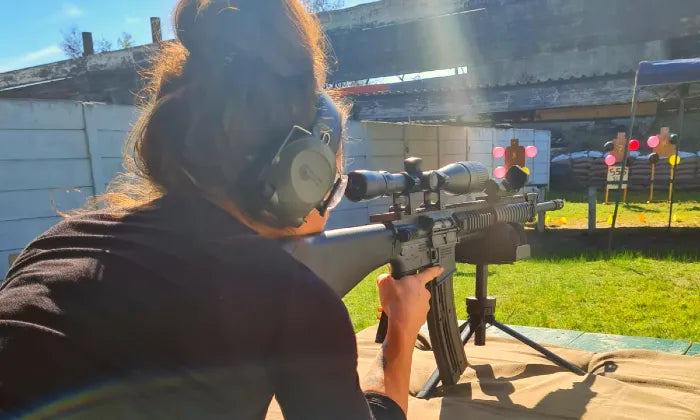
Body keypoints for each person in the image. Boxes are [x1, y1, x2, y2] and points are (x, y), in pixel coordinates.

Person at [0, 0, 442, 418]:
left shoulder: (53, 247)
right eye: (333, 177)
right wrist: (401, 330)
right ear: (302, 173)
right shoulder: (287, 296)